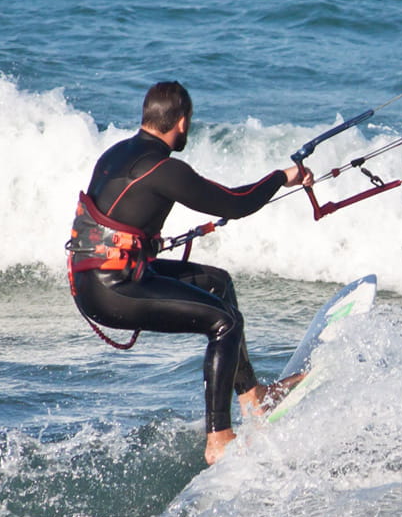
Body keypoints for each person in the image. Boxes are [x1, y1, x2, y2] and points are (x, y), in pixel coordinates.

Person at [67, 81, 312, 464]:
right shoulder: (163, 168)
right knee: (224, 323)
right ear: (181, 122)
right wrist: (284, 176)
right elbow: (236, 203)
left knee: (219, 284)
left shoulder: (115, 154)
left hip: (103, 277)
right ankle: (219, 439)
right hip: (112, 287)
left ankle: (253, 397)